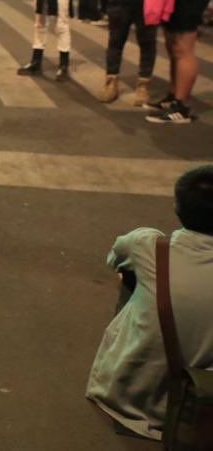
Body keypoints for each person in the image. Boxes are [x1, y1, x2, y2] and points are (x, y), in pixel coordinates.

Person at [86, 165, 213, 440]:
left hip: (126, 398)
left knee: (134, 276)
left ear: (177, 207)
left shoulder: (148, 245)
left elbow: (114, 259)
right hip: (201, 408)